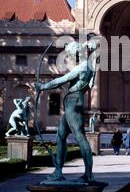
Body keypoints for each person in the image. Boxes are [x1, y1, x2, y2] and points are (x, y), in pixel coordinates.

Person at [35, 41, 97, 182]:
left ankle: (88, 175)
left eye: (69, 55)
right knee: (61, 136)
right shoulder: (89, 67)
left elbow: (61, 80)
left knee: (80, 137)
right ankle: (58, 172)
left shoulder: (82, 68)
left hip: (74, 104)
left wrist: (42, 86)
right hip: (72, 102)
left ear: (76, 55)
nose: (69, 58)